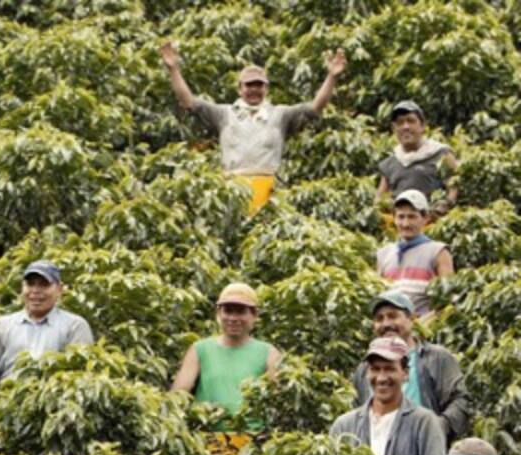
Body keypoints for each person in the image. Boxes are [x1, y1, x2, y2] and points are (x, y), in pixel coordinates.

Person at [158, 42, 346, 206]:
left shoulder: (280, 114)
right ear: (240, 89)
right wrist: (173, 69)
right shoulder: (224, 114)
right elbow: (189, 103)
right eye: (249, 85)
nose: (254, 90)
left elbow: (315, 108)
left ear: (266, 88)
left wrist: (332, 77)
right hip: (233, 189)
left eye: (259, 85)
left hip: (268, 189)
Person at [351, 289, 468, 443]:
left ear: (412, 319)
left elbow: (460, 401)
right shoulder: (364, 368)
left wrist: (436, 428)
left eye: (393, 316)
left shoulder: (437, 358)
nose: (386, 324)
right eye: (379, 319)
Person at [170, 282, 282, 430]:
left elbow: (279, 402)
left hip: (252, 442)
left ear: (255, 315)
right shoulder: (200, 350)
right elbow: (177, 397)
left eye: (241, 312)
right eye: (228, 311)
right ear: (219, 313)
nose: (233, 318)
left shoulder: (269, 353)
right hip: (208, 440)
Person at [0, 261, 93, 394]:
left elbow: (81, 376)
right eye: (30, 284)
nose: (35, 291)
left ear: (60, 289)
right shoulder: (1, 326)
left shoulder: (75, 326)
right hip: (5, 407)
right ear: (22, 287)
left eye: (44, 284)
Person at [375, 190, 453, 316]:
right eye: (401, 217)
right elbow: (378, 296)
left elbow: (447, 299)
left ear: (425, 218)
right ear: (394, 218)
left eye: (412, 217)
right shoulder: (383, 254)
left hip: (425, 327)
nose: (405, 224)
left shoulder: (438, 252)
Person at [376, 101, 458, 215]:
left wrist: (442, 207)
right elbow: (379, 200)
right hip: (400, 226)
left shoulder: (441, 154)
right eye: (400, 123)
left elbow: (455, 187)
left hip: (433, 223)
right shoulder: (390, 163)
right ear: (394, 129)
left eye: (411, 121)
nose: (406, 127)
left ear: (422, 126)